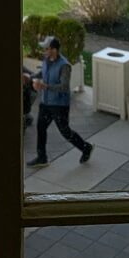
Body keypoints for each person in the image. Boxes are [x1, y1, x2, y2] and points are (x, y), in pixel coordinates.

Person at [27, 37, 93, 168]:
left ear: (54, 50)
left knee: (65, 131)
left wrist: (45, 86)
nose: (44, 51)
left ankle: (86, 148)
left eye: (47, 49)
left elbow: (63, 87)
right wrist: (32, 77)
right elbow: (43, 72)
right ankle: (42, 157)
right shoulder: (46, 60)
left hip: (59, 105)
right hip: (45, 102)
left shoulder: (64, 66)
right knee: (41, 128)